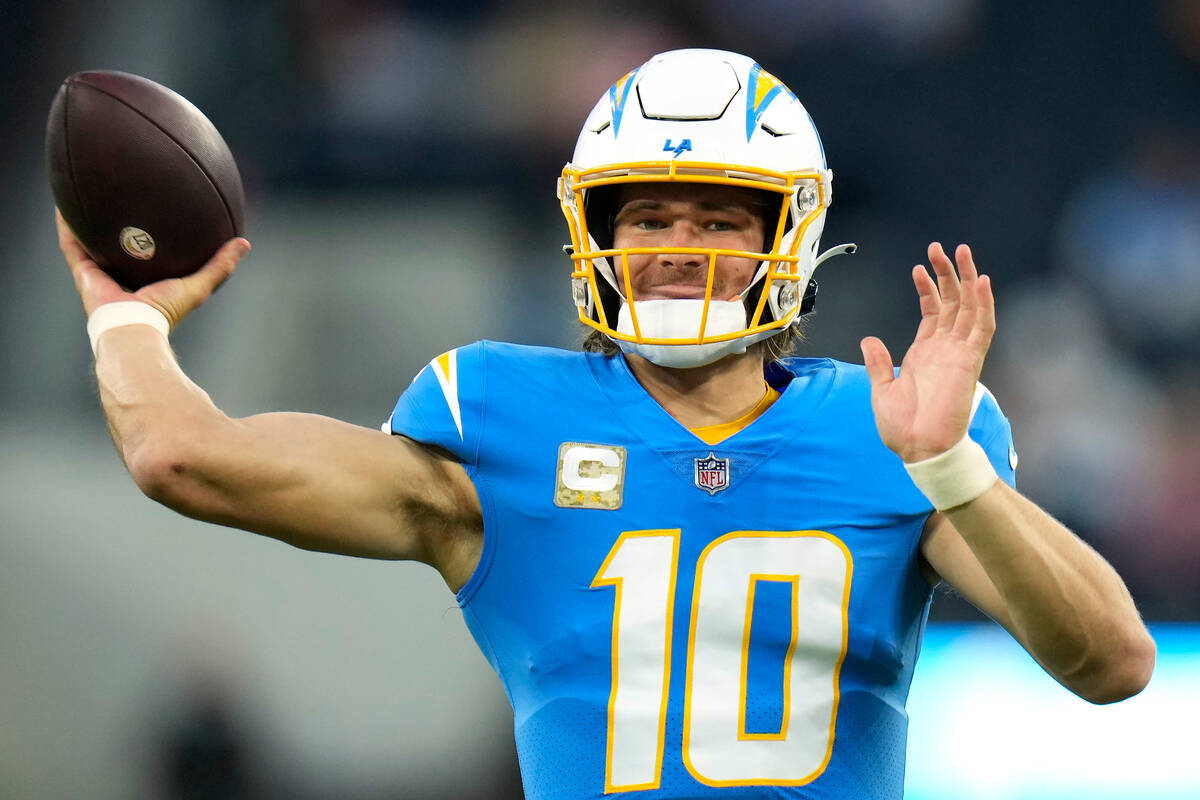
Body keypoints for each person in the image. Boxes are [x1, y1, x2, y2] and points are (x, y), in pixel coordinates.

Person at [60, 49, 1154, 799]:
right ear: (596, 234)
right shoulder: (495, 421)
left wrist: (950, 464)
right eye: (648, 214)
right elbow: (181, 455)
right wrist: (127, 325)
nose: (678, 244)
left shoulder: (890, 429)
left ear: (795, 233)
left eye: (721, 215)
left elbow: (1113, 662)